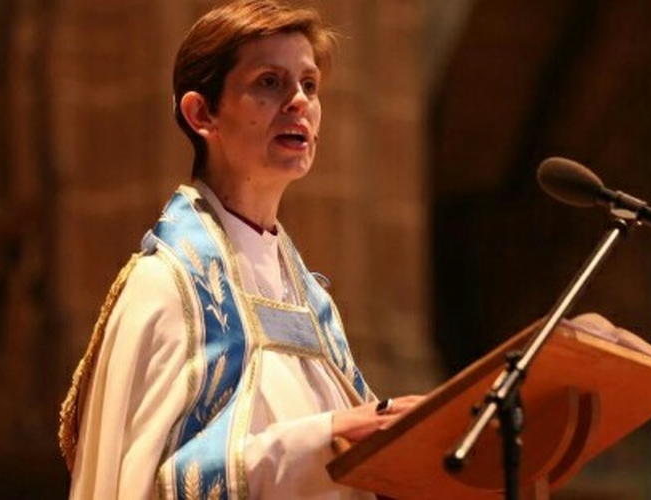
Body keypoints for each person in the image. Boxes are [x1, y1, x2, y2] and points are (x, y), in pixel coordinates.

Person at [58, 1, 421, 498]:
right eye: (270, 82)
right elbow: (151, 485)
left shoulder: (312, 306)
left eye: (309, 85)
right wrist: (325, 439)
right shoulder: (166, 288)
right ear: (201, 112)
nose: (298, 101)